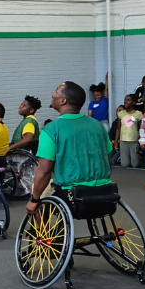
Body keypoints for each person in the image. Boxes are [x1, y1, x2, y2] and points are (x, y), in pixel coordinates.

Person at [26, 81, 112, 216]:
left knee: (38, 193)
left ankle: (47, 234)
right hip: (105, 190)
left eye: (56, 91)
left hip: (71, 194)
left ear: (63, 100)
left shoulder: (51, 130)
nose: (53, 94)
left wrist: (34, 199)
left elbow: (44, 170)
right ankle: (63, 229)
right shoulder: (98, 126)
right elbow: (107, 159)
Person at [114, 94, 143, 168]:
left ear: (133, 102)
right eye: (125, 100)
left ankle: (138, 157)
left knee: (135, 165)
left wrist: (140, 141)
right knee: (125, 164)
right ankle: (122, 158)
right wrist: (116, 141)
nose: (126, 102)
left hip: (134, 140)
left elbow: (141, 128)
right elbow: (118, 128)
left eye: (128, 100)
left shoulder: (138, 114)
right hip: (123, 140)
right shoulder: (121, 114)